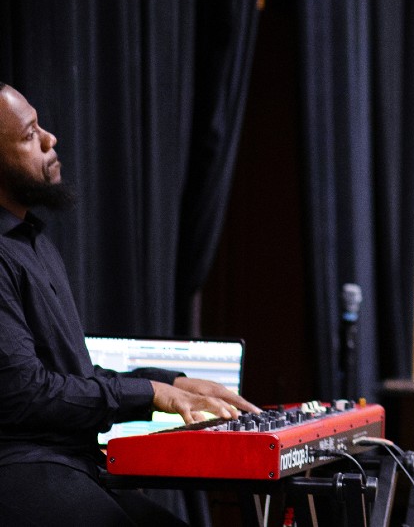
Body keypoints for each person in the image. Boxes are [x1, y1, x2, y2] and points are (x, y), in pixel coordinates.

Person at [0, 83, 262, 526]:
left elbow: (68, 378)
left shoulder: (32, 242)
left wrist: (169, 382)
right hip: (22, 470)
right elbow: (25, 394)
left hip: (71, 464)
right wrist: (151, 393)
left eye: (40, 126)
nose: (50, 139)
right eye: (29, 135)